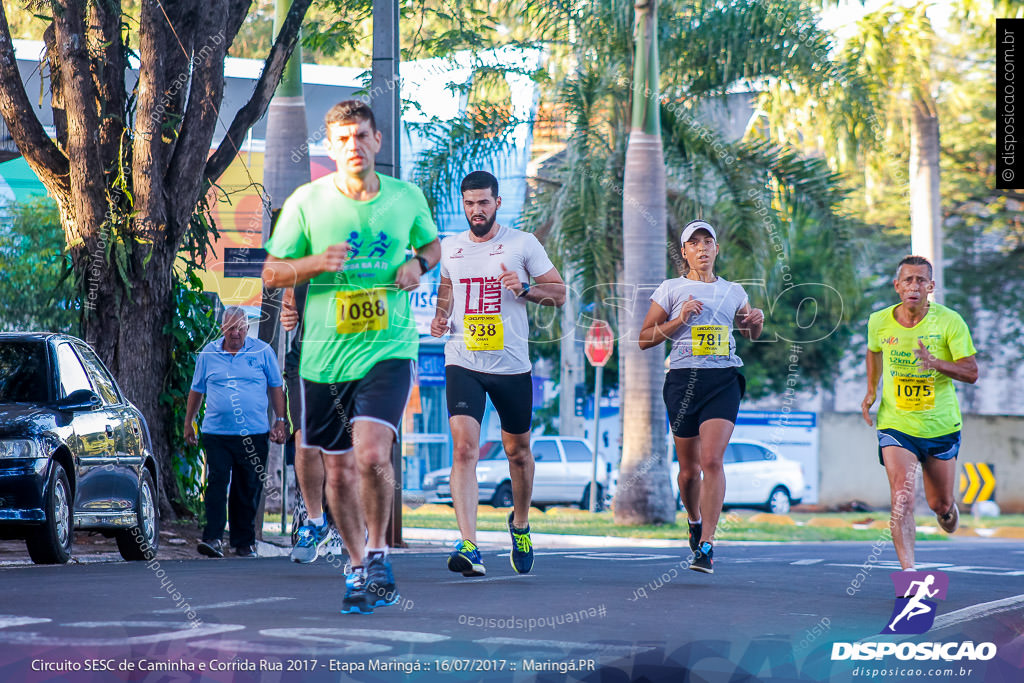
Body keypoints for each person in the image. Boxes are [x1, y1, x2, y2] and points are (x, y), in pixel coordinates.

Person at [262, 99, 440, 614]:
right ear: (330, 146)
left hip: (388, 345)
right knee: (337, 473)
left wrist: (416, 265)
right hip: (324, 356)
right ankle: (358, 566)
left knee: (371, 452)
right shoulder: (307, 202)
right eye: (342, 139)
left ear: (377, 141)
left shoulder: (406, 198)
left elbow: (433, 247)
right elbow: (272, 273)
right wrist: (316, 262)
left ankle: (379, 553)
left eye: (361, 136)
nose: (353, 146)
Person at [431, 170, 565, 577]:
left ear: (497, 203)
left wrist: (524, 288)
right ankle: (469, 545)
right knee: (464, 449)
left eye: (484, 203)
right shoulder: (450, 247)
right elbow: (446, 286)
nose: (476, 210)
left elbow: (559, 293)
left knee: (517, 453)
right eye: (470, 203)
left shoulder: (523, 243)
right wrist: (440, 317)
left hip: (511, 366)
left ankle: (520, 524)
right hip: (463, 359)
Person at [638, 220, 763, 574]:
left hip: (723, 379)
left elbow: (749, 332)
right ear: (685, 252)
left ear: (716, 249)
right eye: (695, 243)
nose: (703, 248)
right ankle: (693, 521)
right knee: (689, 471)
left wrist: (756, 319)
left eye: (708, 242)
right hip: (682, 381)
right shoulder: (671, 288)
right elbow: (644, 338)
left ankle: (707, 544)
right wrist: (679, 320)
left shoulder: (734, 290)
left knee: (712, 461)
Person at [861, 255, 978, 571]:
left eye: (921, 280)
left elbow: (971, 372)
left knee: (940, 502)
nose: (914, 286)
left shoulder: (950, 321)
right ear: (897, 286)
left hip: (940, 424)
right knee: (902, 497)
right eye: (908, 280)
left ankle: (947, 510)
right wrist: (872, 390)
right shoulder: (879, 321)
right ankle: (909, 574)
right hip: (896, 422)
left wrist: (936, 363)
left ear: (931, 286)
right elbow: (874, 351)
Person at [184, 307, 288, 558]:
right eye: (231, 328)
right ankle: (213, 538)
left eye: (241, 328)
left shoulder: (263, 351)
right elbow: (196, 390)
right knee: (217, 482)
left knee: (248, 487)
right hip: (217, 432)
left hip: (254, 432)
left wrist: (281, 420)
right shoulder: (208, 353)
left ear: (246, 328)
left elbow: (276, 386)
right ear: (222, 329)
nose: (236, 333)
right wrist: (190, 421)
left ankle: (243, 542)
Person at [280, 285, 342, 564]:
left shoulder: (368, 260)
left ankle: (341, 526)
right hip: (304, 363)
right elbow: (289, 299)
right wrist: (287, 311)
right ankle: (315, 523)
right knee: (305, 440)